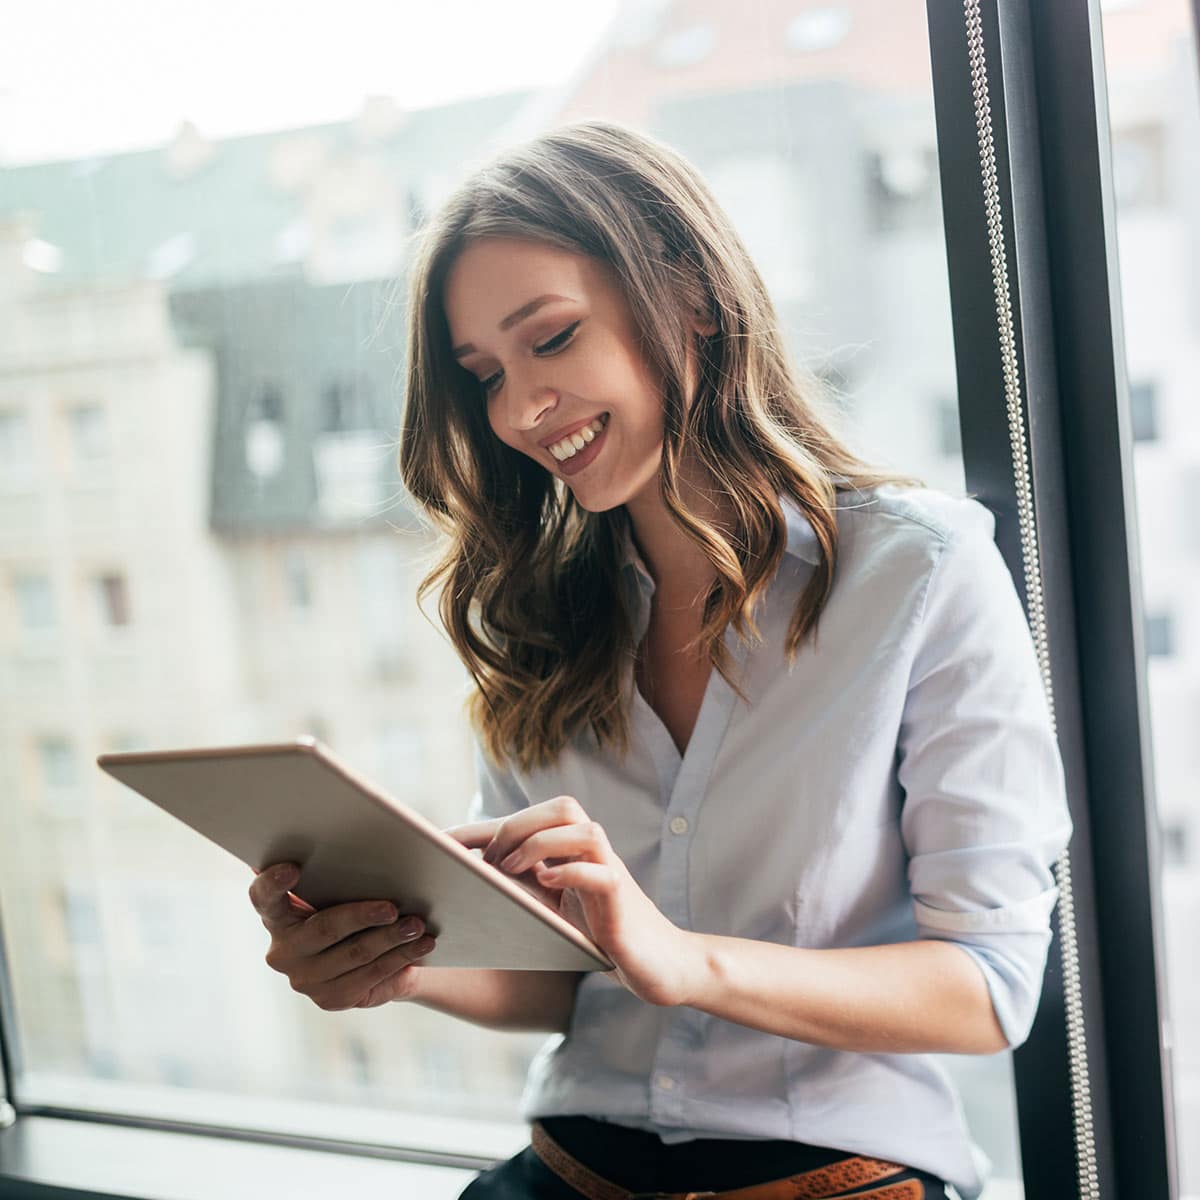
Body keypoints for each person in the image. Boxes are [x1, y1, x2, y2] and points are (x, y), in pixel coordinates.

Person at [248, 120, 1073, 1200]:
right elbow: (561, 982)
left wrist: (684, 958)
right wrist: (395, 966)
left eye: (550, 339)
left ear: (686, 293)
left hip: (839, 1173)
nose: (519, 410)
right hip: (565, 1171)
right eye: (485, 374)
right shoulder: (542, 613)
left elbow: (991, 986)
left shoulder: (921, 574)